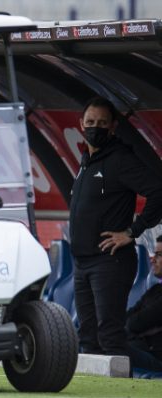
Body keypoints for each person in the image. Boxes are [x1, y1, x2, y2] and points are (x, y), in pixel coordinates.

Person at [70, 96, 162, 359]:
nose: (94, 128)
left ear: (112, 128)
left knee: (109, 334)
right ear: (80, 124)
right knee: (87, 337)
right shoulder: (86, 160)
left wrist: (132, 232)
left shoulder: (121, 159)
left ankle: (120, 393)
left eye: (101, 123)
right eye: (90, 122)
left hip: (109, 262)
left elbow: (158, 191)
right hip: (82, 262)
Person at [127, 235, 162, 364]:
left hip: (155, 357)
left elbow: (135, 323)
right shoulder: (155, 290)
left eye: (159, 255)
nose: (153, 260)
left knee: (112, 347)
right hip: (140, 348)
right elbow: (128, 317)